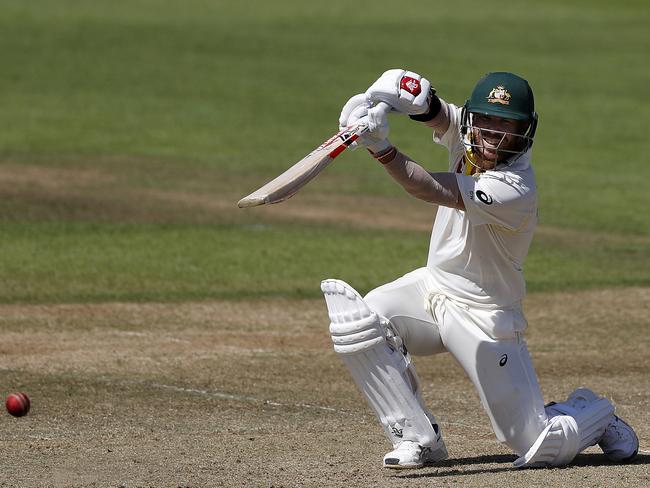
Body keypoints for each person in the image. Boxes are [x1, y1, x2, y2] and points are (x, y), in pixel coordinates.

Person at [320, 70, 639, 469]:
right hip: (432, 290)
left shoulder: (515, 187)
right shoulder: (470, 135)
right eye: (487, 120)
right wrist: (403, 95)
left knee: (538, 445)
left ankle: (593, 411)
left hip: (486, 316)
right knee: (361, 321)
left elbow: (430, 188)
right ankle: (418, 438)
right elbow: (439, 114)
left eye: (507, 124)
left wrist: (381, 148)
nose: (494, 133)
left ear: (525, 130)